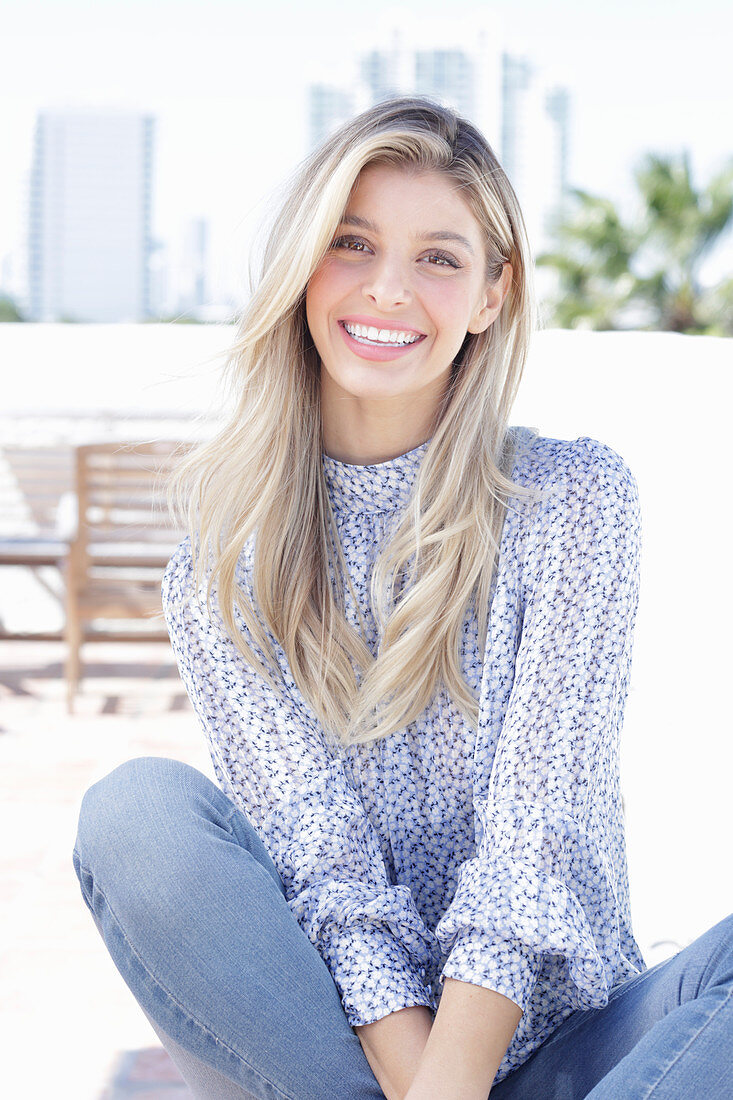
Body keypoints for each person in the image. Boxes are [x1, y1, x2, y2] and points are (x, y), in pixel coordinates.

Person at [72, 97, 733, 1100]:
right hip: (346, 1057)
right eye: (352, 242)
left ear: (490, 295)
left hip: (580, 1052)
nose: (388, 287)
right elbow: (327, 876)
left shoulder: (572, 501)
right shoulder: (224, 568)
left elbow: (533, 839)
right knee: (133, 814)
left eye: (438, 256)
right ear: (302, 269)